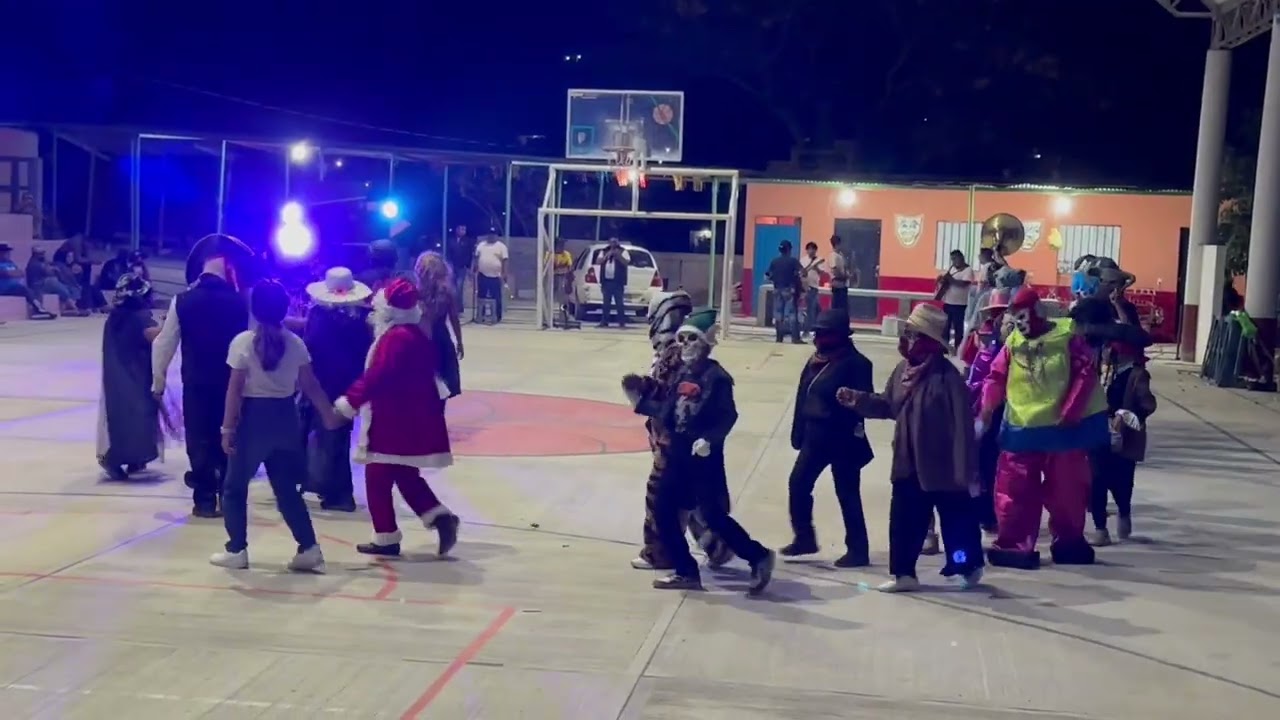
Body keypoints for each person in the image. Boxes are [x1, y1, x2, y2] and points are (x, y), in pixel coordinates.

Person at [623, 308, 776, 594]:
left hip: (703, 460)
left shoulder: (718, 378)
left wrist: (710, 439)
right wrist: (641, 403)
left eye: (691, 339)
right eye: (681, 340)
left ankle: (759, 556)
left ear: (705, 343)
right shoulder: (680, 374)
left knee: (714, 517)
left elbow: (728, 416)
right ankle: (686, 571)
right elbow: (669, 413)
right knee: (664, 511)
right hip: (677, 457)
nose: (685, 346)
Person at [840, 304, 984, 592]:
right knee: (905, 519)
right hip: (908, 462)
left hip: (943, 467)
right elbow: (889, 405)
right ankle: (904, 573)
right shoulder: (902, 371)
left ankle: (967, 564)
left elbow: (963, 429)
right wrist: (859, 400)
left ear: (928, 342)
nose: (906, 340)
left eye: (912, 334)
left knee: (957, 521)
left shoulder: (948, 380)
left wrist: (964, 470)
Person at [978, 287, 1109, 569]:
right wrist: (987, 408)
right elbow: (996, 376)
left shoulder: (1067, 338)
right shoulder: (1013, 342)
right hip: (1021, 427)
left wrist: (1070, 411)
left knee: (1067, 490)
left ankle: (1069, 540)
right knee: (1014, 489)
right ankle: (1014, 544)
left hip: (1063, 431)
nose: (1022, 324)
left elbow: (1084, 372)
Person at [211, 280, 333, 572]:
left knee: (234, 487)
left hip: (253, 419)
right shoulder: (296, 344)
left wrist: (227, 428)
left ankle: (237, 548)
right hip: (285, 418)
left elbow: (234, 390)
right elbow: (311, 385)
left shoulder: (242, 343)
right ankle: (309, 547)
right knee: (286, 489)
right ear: (284, 308)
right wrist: (328, 414)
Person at [334, 278, 461, 557]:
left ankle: (387, 537)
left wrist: (349, 402)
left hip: (392, 417)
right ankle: (438, 517)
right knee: (403, 472)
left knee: (377, 475)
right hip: (408, 415)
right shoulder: (410, 333)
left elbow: (377, 376)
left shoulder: (396, 338)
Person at [626, 291, 733, 571]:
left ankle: (660, 553)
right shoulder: (676, 354)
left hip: (673, 440)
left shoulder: (675, 357)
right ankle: (716, 545)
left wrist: (641, 397)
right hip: (678, 438)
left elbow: (667, 400)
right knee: (692, 498)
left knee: (663, 498)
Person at [153, 233, 254, 518]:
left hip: (196, 383)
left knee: (198, 438)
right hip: (231, 385)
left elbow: (163, 344)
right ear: (229, 267)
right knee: (228, 435)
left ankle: (204, 499)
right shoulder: (240, 303)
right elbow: (251, 344)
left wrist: (157, 382)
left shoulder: (182, 301)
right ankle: (228, 491)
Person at [781, 310, 874, 567]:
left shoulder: (857, 364)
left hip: (842, 440)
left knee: (847, 494)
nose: (818, 338)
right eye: (817, 332)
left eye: (824, 333)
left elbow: (863, 404)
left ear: (840, 336)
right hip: (814, 437)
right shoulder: (816, 360)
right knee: (798, 485)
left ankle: (858, 550)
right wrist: (798, 432)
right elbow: (803, 396)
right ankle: (804, 538)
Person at [299, 267, 374, 512]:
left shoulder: (318, 317)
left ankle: (336, 492)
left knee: (324, 438)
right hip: (348, 388)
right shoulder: (362, 320)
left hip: (322, 385)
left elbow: (310, 348)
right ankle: (334, 491)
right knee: (335, 440)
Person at [1088, 340, 1157, 546]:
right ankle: (1100, 529)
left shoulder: (1137, 375)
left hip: (1124, 438)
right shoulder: (1102, 372)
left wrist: (1126, 414)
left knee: (1122, 483)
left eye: (1110, 348)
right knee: (1096, 480)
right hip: (1100, 433)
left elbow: (1148, 404)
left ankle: (1124, 514)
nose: (1106, 352)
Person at [97, 273, 164, 480]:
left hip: (119, 375)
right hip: (134, 376)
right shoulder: (138, 317)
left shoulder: (116, 317)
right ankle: (117, 459)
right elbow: (154, 336)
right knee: (138, 416)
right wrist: (168, 325)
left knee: (122, 416)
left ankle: (134, 458)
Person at [965, 288, 1013, 536]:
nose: (1000, 319)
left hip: (1015, 416)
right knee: (986, 466)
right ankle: (987, 515)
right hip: (990, 414)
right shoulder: (987, 349)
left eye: (1004, 314)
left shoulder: (1020, 349)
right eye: (997, 315)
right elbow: (973, 379)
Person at [415, 251, 463, 401]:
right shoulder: (448, 291)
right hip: (441, 337)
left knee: (422, 382)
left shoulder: (416, 291)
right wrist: (459, 342)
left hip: (419, 337)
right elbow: (454, 318)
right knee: (443, 381)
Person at [0, 243, 55, 319]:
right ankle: (38, 309)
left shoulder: (10, 262)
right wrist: (12, 273)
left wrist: (12, 273)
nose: (8, 254)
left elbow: (21, 273)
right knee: (25, 289)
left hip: (15, 286)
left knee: (33, 289)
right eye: (5, 252)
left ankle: (39, 308)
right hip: (4, 288)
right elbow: (6, 274)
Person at [766, 240, 803, 344]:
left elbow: (768, 275)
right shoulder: (793, 261)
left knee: (778, 314)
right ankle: (795, 338)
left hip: (777, 289)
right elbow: (802, 272)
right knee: (791, 313)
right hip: (789, 290)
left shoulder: (774, 261)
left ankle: (779, 337)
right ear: (789, 250)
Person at [26, 248, 81, 315]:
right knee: (52, 281)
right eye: (40, 254)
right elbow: (50, 272)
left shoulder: (42, 262)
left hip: (44, 285)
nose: (43, 255)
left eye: (43, 253)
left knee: (70, 287)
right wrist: (53, 268)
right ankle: (73, 307)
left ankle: (68, 307)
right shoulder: (33, 263)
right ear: (35, 255)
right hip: (38, 287)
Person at [937, 250, 973, 351]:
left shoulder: (968, 270)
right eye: (952, 259)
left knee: (958, 327)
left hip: (960, 304)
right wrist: (941, 280)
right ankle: (944, 347)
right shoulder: (952, 268)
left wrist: (950, 279)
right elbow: (947, 281)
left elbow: (963, 284)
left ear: (961, 257)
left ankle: (958, 348)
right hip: (948, 302)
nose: (954, 261)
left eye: (955, 258)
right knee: (945, 326)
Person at [473, 233, 509, 322]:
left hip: (496, 275)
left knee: (496, 296)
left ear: (496, 236)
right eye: (490, 235)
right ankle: (481, 316)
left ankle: (497, 316)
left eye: (493, 235)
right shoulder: (481, 245)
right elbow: (476, 258)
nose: (491, 236)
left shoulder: (501, 246)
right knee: (481, 296)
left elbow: (505, 260)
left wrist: (504, 272)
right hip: (482, 274)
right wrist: (474, 268)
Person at [597, 237, 631, 328]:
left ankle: (621, 322)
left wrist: (618, 256)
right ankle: (604, 322)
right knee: (606, 303)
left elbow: (626, 262)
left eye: (615, 242)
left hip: (618, 282)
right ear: (608, 243)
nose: (613, 244)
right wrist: (607, 255)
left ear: (618, 242)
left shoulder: (623, 251)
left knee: (619, 303)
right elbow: (598, 261)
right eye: (611, 242)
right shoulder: (604, 251)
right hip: (606, 281)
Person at [800, 242, 825, 336]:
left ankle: (813, 328)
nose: (811, 251)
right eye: (809, 249)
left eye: (813, 249)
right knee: (809, 309)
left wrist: (816, 268)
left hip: (814, 287)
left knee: (813, 309)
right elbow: (801, 272)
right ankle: (807, 329)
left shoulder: (819, 260)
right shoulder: (803, 260)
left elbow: (821, 272)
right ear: (807, 250)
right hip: (805, 287)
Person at [446, 225, 475, 306]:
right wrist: (449, 264)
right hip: (452, 267)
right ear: (457, 230)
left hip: (462, 267)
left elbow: (469, 255)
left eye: (464, 229)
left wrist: (469, 267)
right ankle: (452, 306)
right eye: (461, 229)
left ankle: (458, 307)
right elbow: (448, 253)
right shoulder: (451, 241)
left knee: (459, 287)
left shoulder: (468, 241)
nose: (463, 231)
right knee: (452, 287)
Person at [828, 235, 851, 313]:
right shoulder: (833, 256)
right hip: (837, 283)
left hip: (843, 284)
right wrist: (844, 276)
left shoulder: (841, 255)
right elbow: (835, 270)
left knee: (844, 307)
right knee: (837, 306)